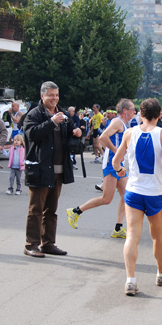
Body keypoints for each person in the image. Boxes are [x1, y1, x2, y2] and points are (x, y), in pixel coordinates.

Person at [111, 98, 162, 296]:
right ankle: (160, 273)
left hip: (134, 190)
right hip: (156, 192)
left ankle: (130, 280)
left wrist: (121, 170)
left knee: (132, 235)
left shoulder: (130, 133)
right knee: (158, 236)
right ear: (159, 115)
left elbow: (116, 161)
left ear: (140, 114)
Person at [23, 82, 82, 258]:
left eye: (56, 95)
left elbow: (72, 130)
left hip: (58, 170)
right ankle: (31, 244)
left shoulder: (63, 115)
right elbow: (32, 134)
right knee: (36, 209)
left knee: (51, 210)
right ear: (42, 96)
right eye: (51, 95)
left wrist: (77, 131)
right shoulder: (33, 114)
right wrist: (51, 122)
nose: (54, 98)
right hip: (40, 169)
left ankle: (48, 243)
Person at [67, 98, 136, 239]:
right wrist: (117, 152)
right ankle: (75, 211)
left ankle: (118, 227)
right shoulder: (117, 121)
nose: (134, 112)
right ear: (125, 111)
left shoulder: (124, 124)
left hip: (118, 163)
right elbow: (103, 137)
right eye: (132, 110)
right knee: (106, 199)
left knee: (126, 195)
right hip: (111, 162)